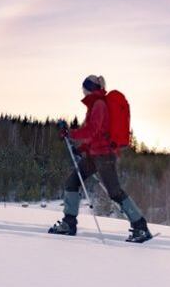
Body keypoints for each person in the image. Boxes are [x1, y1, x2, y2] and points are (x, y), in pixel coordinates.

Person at [48, 75, 153, 243]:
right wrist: (80, 148)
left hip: (104, 156)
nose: (82, 91)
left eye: (84, 88)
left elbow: (93, 130)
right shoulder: (95, 105)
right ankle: (69, 224)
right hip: (94, 155)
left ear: (89, 88)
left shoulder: (99, 105)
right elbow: (96, 136)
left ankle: (140, 227)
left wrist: (71, 133)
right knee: (72, 182)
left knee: (114, 192)